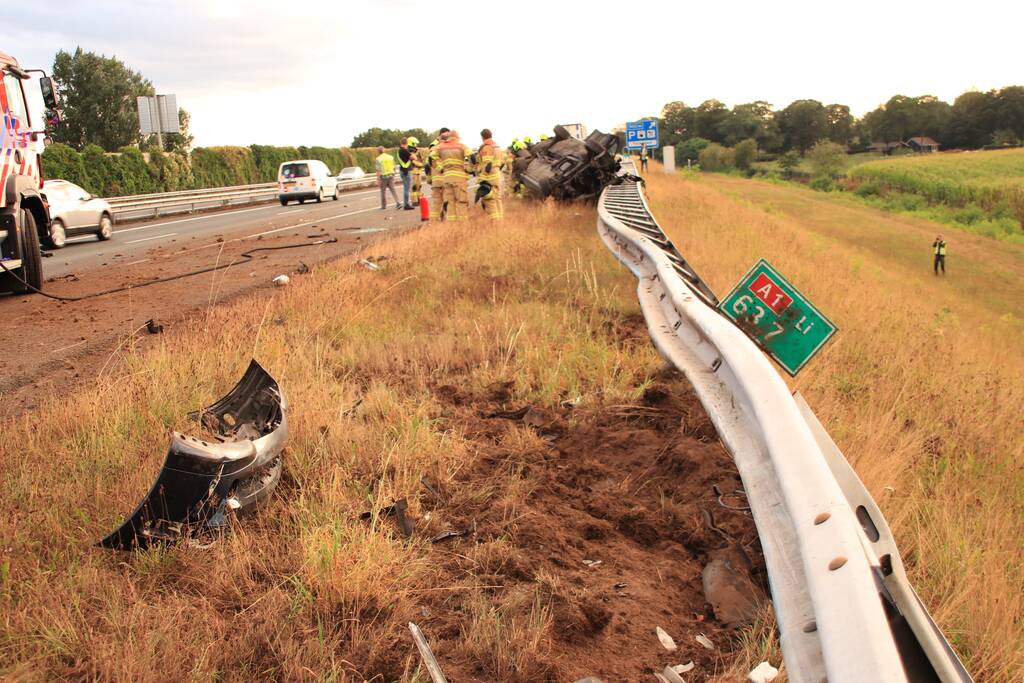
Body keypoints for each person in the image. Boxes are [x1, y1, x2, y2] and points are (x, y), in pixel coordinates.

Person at [429, 130, 473, 221]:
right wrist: (469, 169)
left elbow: (431, 158)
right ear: (457, 137)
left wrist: (440, 169)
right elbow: (472, 157)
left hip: (447, 178)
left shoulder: (441, 147)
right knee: (461, 202)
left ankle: (451, 225)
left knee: (450, 202)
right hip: (459, 178)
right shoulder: (461, 146)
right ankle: (462, 225)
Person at [476, 128, 504, 220]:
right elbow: (502, 162)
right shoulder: (497, 147)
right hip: (496, 175)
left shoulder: (487, 147)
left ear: (482, 137)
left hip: (489, 177)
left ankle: (495, 223)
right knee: (497, 199)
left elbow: (486, 164)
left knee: (490, 201)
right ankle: (500, 221)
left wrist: (482, 180)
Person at [397, 137, 414, 210]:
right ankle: (406, 204)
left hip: (402, 170)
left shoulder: (399, 151)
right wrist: (412, 152)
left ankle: (406, 203)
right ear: (407, 143)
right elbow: (414, 158)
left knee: (406, 188)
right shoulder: (404, 150)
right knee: (406, 188)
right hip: (406, 171)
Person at [407, 136, 424, 206]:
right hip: (412, 172)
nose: (416, 145)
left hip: (418, 173)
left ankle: (419, 199)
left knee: (419, 187)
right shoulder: (408, 152)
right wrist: (419, 164)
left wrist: (420, 163)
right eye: (415, 144)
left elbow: (421, 161)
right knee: (413, 187)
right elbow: (413, 162)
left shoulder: (418, 152)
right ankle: (414, 201)